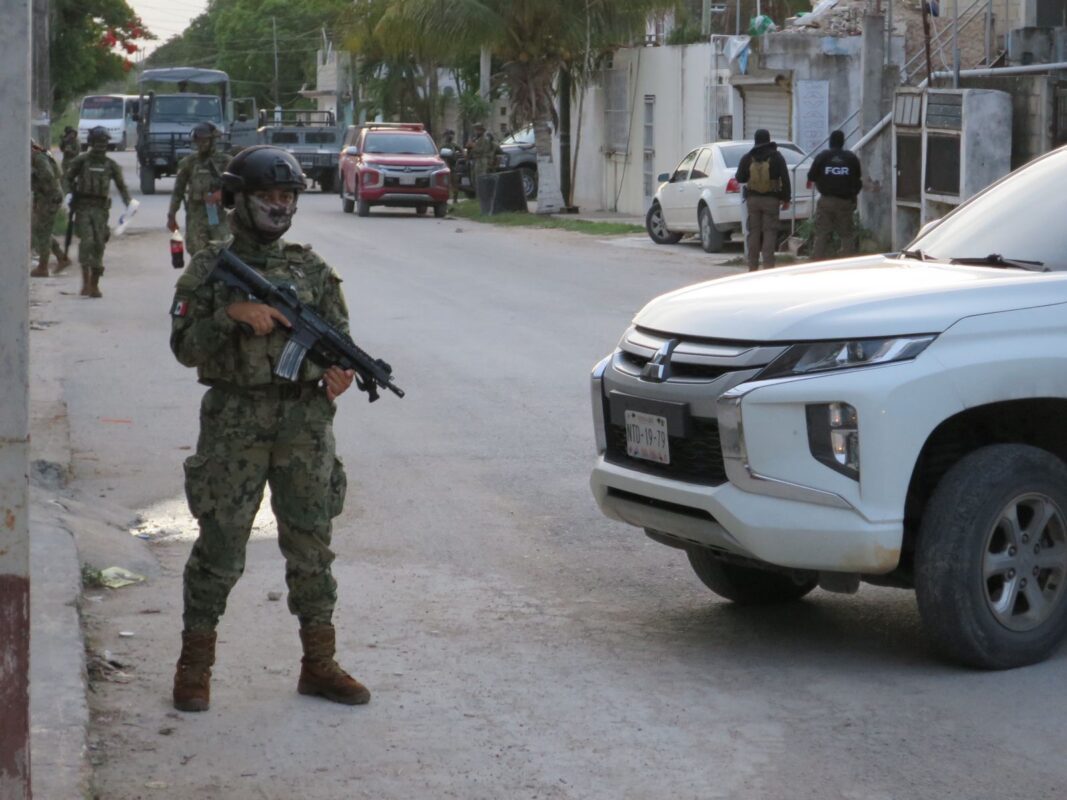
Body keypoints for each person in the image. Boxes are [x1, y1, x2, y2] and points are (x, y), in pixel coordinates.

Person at [169, 145, 370, 713]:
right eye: (268, 196)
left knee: (311, 545)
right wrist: (229, 316)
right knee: (221, 546)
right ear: (239, 199)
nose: (280, 207)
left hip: (305, 424)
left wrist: (340, 374)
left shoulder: (311, 269)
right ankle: (194, 667)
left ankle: (319, 663)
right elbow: (184, 349)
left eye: (288, 197)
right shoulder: (210, 268)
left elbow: (340, 341)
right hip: (235, 421)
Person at [62, 126, 131, 298]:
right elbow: (67, 178)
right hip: (83, 207)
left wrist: (129, 204)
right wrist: (69, 194)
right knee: (87, 242)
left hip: (101, 210)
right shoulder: (81, 161)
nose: (101, 145)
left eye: (104, 142)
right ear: (91, 143)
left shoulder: (111, 165)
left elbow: (122, 187)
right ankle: (85, 283)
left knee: (99, 244)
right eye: (98, 142)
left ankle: (95, 283)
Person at [167, 122, 230, 256]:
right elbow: (178, 190)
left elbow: (240, 188)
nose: (201, 144)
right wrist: (171, 215)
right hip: (195, 214)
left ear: (212, 141)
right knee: (197, 251)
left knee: (223, 250)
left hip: (217, 214)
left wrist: (221, 194)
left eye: (205, 140)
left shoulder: (226, 162)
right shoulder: (189, 162)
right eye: (198, 140)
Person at [735, 129, 791, 271]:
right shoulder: (776, 156)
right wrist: (786, 199)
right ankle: (768, 267)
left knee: (754, 232)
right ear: (768, 139)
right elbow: (785, 178)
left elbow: (739, 177)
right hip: (771, 200)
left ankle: (752, 266)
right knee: (769, 232)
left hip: (753, 200)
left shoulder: (748, 157)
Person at [807, 129, 863, 260]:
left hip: (826, 201)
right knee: (847, 235)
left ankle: (817, 262)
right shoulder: (850, 158)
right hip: (845, 202)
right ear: (843, 142)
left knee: (821, 234)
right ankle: (847, 263)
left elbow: (811, 176)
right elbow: (857, 178)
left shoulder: (822, 156)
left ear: (830, 142)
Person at [30, 139, 72, 277]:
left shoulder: (38, 157)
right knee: (40, 228)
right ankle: (61, 258)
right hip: (49, 197)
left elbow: (48, 175)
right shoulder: (40, 154)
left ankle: (43, 267)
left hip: (49, 198)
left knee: (43, 231)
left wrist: (32, 179)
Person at [465, 122, 502, 199]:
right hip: (476, 161)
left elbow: (482, 150)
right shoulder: (475, 139)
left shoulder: (485, 140)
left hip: (482, 161)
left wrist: (473, 146)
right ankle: (477, 197)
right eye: (476, 130)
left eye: (478, 130)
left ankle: (482, 197)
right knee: (475, 179)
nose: (476, 132)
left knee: (481, 178)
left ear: (482, 131)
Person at [438, 129, 461, 204]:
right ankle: (445, 199)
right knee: (446, 183)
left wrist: (458, 155)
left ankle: (455, 199)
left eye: (451, 135)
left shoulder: (454, 146)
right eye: (448, 135)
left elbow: (461, 152)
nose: (450, 136)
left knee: (455, 183)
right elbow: (439, 155)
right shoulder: (443, 146)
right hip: (446, 166)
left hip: (453, 166)